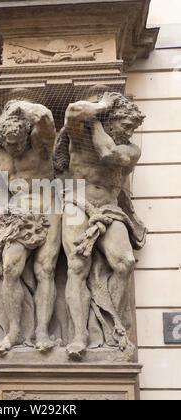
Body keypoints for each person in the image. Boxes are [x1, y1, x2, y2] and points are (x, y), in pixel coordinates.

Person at [56, 91, 146, 360]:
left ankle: (111, 325)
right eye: (125, 125)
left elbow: (108, 154)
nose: (129, 131)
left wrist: (97, 122)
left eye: (132, 127)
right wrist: (103, 105)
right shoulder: (78, 136)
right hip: (77, 204)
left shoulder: (131, 149)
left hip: (109, 208)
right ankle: (79, 335)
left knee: (125, 262)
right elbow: (72, 110)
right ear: (111, 119)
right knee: (76, 266)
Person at [0, 100, 61, 355]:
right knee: (11, 268)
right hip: (16, 213)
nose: (15, 147)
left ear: (26, 132)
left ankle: (43, 332)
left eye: (19, 141)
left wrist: (19, 105)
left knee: (45, 269)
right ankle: (13, 331)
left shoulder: (41, 146)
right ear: (2, 139)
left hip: (49, 208)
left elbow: (45, 117)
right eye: (10, 144)